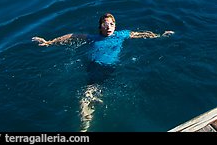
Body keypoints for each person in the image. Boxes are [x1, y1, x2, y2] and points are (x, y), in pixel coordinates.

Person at [32, 12, 174, 131]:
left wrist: (160, 35)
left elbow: (140, 34)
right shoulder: (93, 38)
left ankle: (84, 127)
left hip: (105, 69)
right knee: (90, 92)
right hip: (92, 68)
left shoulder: (122, 34)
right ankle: (91, 107)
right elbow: (72, 36)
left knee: (86, 96)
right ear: (100, 27)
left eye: (111, 24)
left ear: (115, 26)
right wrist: (49, 42)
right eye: (105, 24)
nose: (108, 27)